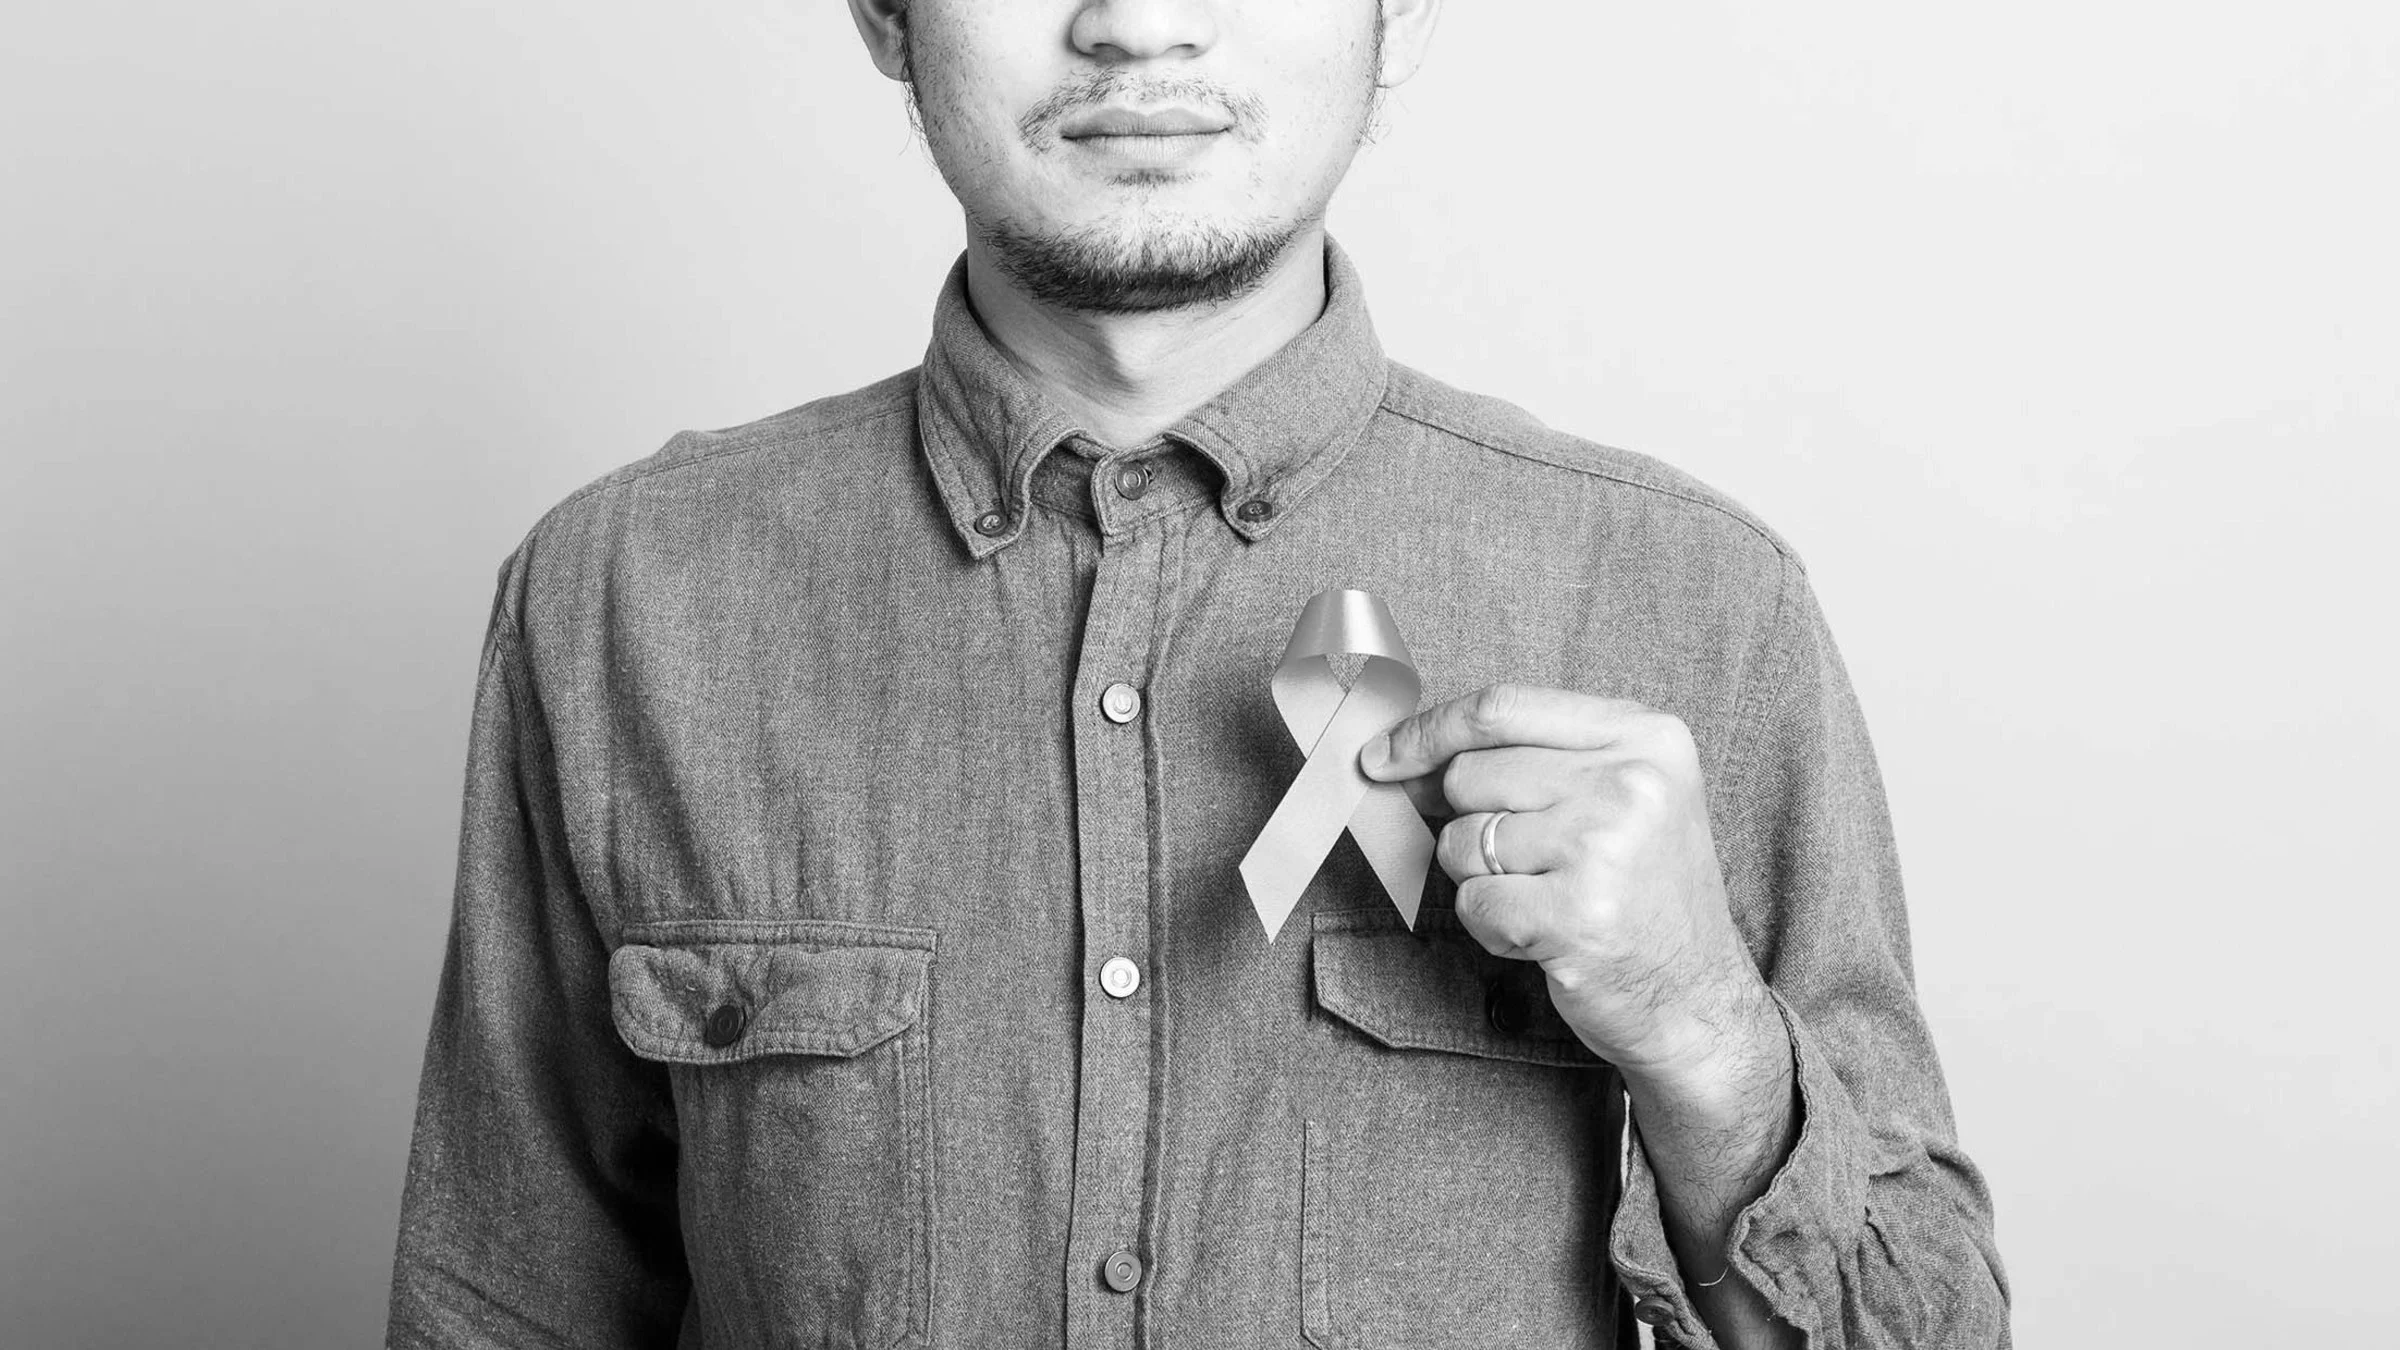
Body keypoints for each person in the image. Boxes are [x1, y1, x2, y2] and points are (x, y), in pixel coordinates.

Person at [385, 1, 2008, 1346]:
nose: (1136, 24)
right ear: (882, 10)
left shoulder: (1691, 604)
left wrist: (1704, 1029)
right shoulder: (621, 599)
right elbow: (501, 1302)